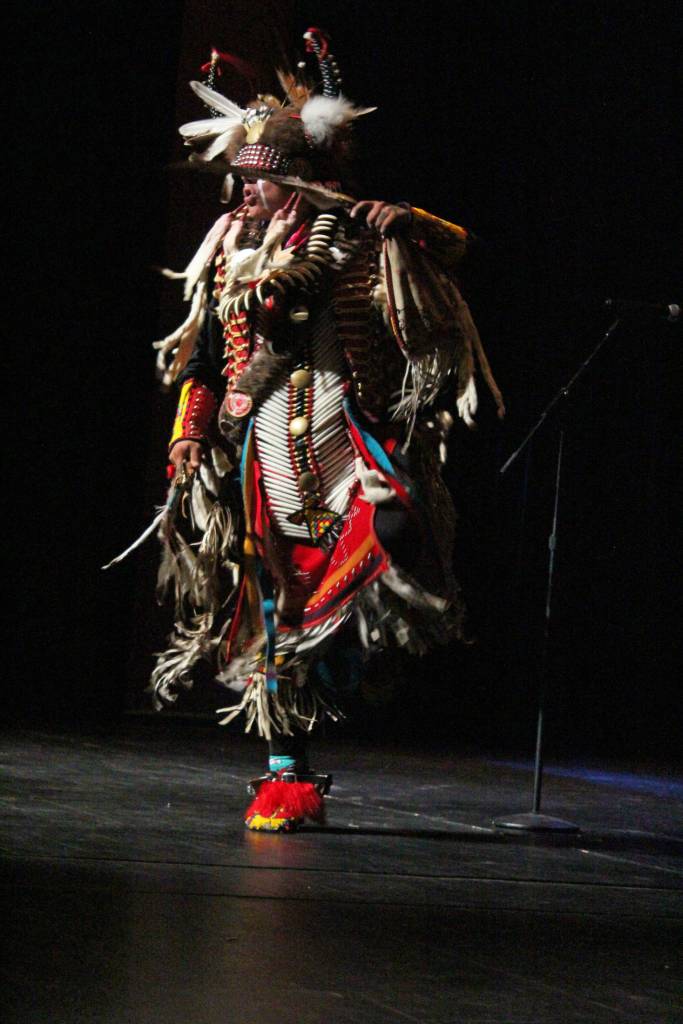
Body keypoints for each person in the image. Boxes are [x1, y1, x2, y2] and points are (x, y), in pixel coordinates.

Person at [151, 29, 504, 832]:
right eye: (239, 182)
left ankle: (350, 682)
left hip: (354, 450)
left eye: (261, 183)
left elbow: (464, 255)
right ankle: (286, 772)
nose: (244, 197)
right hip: (266, 457)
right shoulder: (227, 263)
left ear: (304, 184)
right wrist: (189, 432)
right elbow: (202, 362)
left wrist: (404, 220)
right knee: (277, 605)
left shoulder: (365, 246)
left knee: (376, 571)